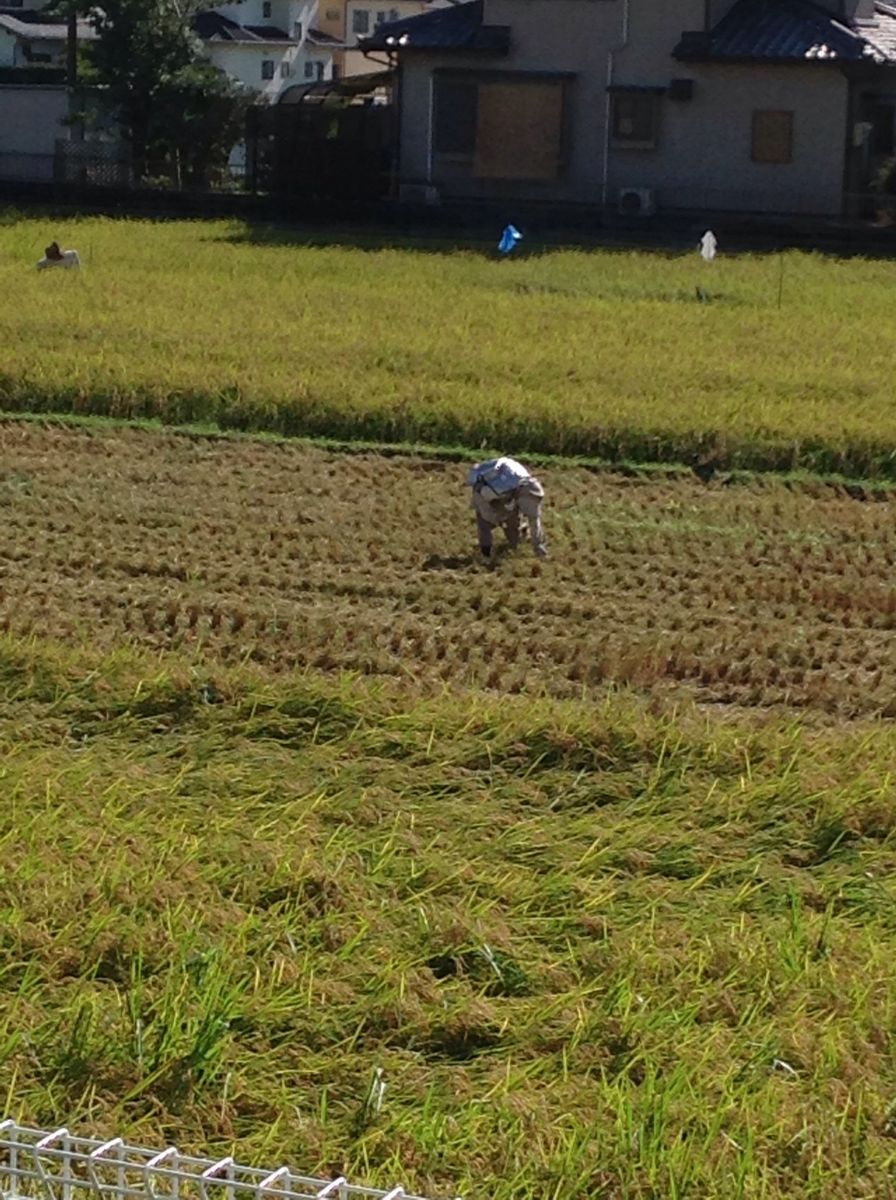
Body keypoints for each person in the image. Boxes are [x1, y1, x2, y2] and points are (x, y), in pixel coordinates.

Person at [466, 455, 547, 559]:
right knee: (486, 524)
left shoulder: (515, 478)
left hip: (512, 495)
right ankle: (486, 554)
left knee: (516, 527)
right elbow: (488, 503)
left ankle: (515, 547)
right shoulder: (492, 486)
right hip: (492, 499)